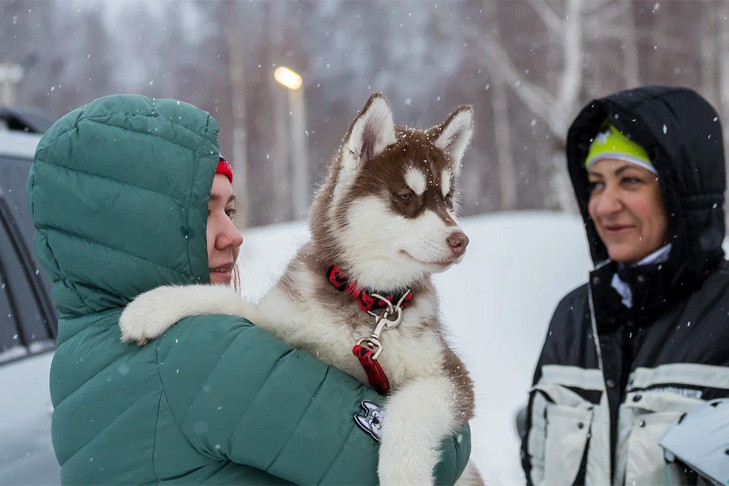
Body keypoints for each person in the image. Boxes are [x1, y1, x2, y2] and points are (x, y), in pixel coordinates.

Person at [27, 94, 471, 484]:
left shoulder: (88, 343)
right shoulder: (194, 353)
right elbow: (434, 457)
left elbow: (256, 328)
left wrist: (182, 300)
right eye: (205, 212)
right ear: (143, 223)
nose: (234, 235)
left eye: (232, 209)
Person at [521, 85, 729, 485]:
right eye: (596, 183)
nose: (603, 204)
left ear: (682, 192)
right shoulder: (574, 317)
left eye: (629, 180)